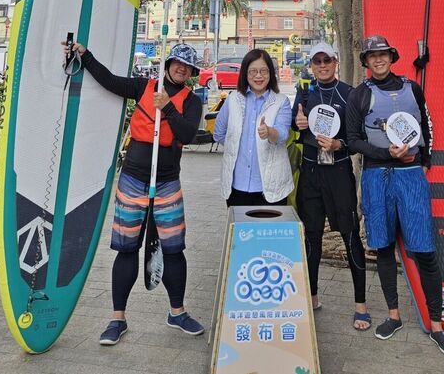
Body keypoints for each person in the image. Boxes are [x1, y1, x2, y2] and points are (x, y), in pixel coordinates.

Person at [64, 41, 205, 345]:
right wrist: (86, 56)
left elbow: (187, 135)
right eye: (177, 63)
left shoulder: (191, 101)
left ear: (191, 73)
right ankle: (117, 319)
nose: (181, 69)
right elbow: (110, 82)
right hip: (133, 178)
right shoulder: (145, 86)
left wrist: (166, 106)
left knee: (173, 248)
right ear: (168, 64)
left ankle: (177, 312)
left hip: (167, 180)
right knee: (127, 248)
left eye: (187, 67)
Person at [345, 35, 444, 357]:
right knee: (382, 247)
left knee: (424, 249)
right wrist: (386, 152)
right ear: (366, 62)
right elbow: (353, 140)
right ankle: (393, 315)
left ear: (391, 57)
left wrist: (424, 160)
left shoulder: (412, 88)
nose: (378, 60)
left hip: (411, 179)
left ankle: (437, 325)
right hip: (376, 178)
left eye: (383, 55)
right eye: (372, 56)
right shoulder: (360, 95)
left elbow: (427, 125)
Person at [291, 42, 370, 330]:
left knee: (350, 237)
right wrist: (297, 122)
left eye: (327, 60)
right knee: (311, 237)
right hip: (310, 173)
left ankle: (360, 305)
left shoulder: (349, 94)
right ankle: (311, 297)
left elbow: (358, 137)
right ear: (311, 64)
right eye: (317, 61)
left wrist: (339, 144)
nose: (322, 65)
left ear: (336, 62)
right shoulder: (304, 92)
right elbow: (293, 126)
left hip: (338, 173)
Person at [213, 49, 293, 206]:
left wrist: (270, 132)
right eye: (253, 71)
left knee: (268, 231)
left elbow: (283, 134)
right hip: (237, 187)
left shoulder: (281, 101)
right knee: (241, 231)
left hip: (271, 187)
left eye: (263, 71)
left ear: (271, 73)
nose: (258, 76)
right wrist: (236, 145)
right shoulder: (233, 99)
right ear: (245, 73)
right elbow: (219, 133)